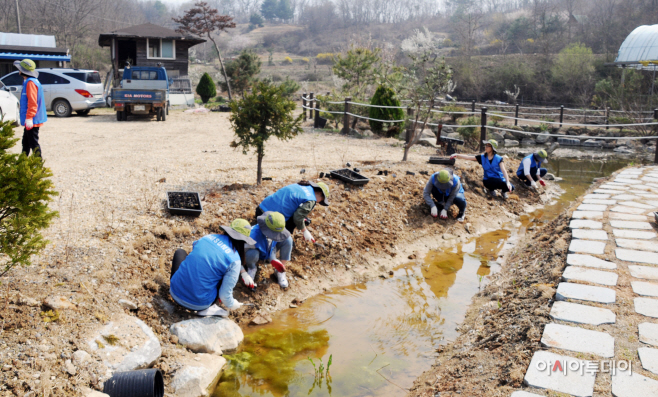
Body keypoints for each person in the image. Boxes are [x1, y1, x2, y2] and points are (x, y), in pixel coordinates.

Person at [169, 219, 256, 317]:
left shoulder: (208, 237)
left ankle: (182, 287)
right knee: (221, 275)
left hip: (174, 292)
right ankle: (207, 308)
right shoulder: (235, 260)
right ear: (244, 241)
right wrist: (233, 304)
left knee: (180, 253)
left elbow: (196, 253)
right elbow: (224, 296)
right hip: (198, 304)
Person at [256, 181, 330, 243]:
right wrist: (305, 231)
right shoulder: (311, 199)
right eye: (321, 200)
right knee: (295, 220)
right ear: (320, 193)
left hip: (260, 210)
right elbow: (298, 217)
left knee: (300, 217)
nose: (318, 202)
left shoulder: (301, 185)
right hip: (270, 220)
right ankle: (283, 239)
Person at [242, 211, 293, 289]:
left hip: (270, 250)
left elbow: (272, 246)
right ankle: (252, 269)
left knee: (288, 240)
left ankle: (280, 270)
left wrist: (273, 259)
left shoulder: (276, 229)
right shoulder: (253, 235)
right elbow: (243, 253)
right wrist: (243, 273)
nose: (276, 236)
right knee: (252, 254)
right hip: (257, 252)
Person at [13, 59, 47, 157]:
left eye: (19, 68)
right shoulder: (29, 81)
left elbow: (32, 102)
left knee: (33, 143)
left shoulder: (30, 83)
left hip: (33, 119)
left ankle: (38, 165)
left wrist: (29, 118)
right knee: (26, 143)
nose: (18, 70)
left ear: (23, 71)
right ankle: (22, 164)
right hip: (32, 119)